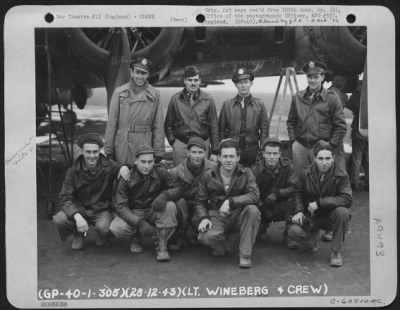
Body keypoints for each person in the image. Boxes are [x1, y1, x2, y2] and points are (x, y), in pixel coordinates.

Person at [53, 133, 129, 250]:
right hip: (79, 208)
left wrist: (124, 167)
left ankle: (102, 235)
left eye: (95, 152)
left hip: (101, 209)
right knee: (60, 219)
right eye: (88, 152)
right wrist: (77, 216)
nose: (92, 156)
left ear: (100, 151)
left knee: (105, 228)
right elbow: (64, 197)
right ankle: (78, 234)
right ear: (82, 152)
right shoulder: (72, 171)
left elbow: (121, 167)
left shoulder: (108, 166)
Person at [194, 139, 261, 268]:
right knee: (205, 237)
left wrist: (231, 202)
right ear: (219, 158)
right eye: (225, 156)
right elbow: (199, 201)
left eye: (232, 156)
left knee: (253, 210)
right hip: (217, 215)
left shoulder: (246, 173)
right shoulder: (208, 175)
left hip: (239, 214)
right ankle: (225, 245)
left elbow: (254, 195)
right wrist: (204, 218)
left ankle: (245, 255)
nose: (228, 160)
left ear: (238, 158)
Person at [110, 145, 181, 262]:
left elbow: (177, 188)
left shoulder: (161, 172)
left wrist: (165, 195)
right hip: (134, 212)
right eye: (143, 162)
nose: (147, 166)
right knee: (117, 228)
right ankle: (135, 237)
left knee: (170, 206)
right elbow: (121, 206)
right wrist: (138, 223)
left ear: (154, 161)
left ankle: (162, 243)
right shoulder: (126, 176)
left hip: (153, 209)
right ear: (136, 161)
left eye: (150, 162)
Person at [287, 141, 352, 267]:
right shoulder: (305, 173)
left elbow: (347, 199)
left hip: (330, 216)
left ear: (333, 158)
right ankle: (312, 238)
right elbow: (297, 192)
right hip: (311, 217)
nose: (324, 162)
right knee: (294, 231)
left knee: (343, 213)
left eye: (328, 158)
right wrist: (299, 211)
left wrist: (320, 203)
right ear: (315, 159)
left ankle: (336, 252)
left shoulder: (341, 175)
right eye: (320, 158)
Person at [287, 60, 347, 176]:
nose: (312, 80)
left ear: (322, 77)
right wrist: (293, 140)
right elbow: (291, 122)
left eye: (316, 77)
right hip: (301, 146)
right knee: (300, 179)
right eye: (309, 77)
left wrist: (331, 145)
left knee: (322, 181)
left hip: (322, 148)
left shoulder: (332, 99)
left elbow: (341, 127)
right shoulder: (297, 98)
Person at [104, 57, 165, 166]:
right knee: (122, 176)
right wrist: (108, 149)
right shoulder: (119, 93)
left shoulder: (155, 95)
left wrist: (159, 151)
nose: (140, 77)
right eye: (137, 72)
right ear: (131, 72)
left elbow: (158, 125)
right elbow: (112, 123)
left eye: (144, 73)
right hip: (123, 143)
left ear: (148, 75)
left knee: (143, 176)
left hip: (144, 143)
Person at [168, 137, 218, 249]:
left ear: (205, 153)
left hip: (203, 203)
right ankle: (179, 235)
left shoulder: (214, 168)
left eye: (200, 152)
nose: (197, 156)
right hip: (184, 204)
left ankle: (195, 233)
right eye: (194, 152)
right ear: (188, 153)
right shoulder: (176, 172)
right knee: (178, 205)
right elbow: (171, 193)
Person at [164, 65, 219, 166]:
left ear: (200, 81)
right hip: (181, 145)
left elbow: (214, 125)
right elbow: (168, 124)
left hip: (202, 146)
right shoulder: (175, 99)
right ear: (184, 81)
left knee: (201, 178)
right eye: (190, 80)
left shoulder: (208, 99)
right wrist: (174, 143)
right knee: (180, 177)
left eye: (195, 80)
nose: (193, 83)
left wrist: (215, 151)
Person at [250, 137, 297, 245]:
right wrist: (262, 206)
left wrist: (277, 193)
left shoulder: (288, 166)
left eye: (275, 153)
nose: (272, 157)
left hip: (280, 203)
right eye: (269, 153)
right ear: (263, 154)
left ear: (280, 153)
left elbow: (294, 187)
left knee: (293, 200)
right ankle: (262, 226)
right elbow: (251, 192)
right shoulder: (255, 170)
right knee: (258, 234)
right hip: (262, 205)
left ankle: (289, 233)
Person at [219, 68, 269, 167]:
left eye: (246, 82)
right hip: (232, 152)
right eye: (240, 82)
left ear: (251, 83)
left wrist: (263, 150)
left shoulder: (260, 104)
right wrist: (220, 150)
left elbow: (264, 130)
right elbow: (221, 130)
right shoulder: (227, 104)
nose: (243, 85)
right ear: (236, 85)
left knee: (252, 179)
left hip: (253, 152)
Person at [346, 82, 369, 190]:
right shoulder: (372, 93)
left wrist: (356, 93)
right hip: (371, 129)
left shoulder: (357, 95)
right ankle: (369, 182)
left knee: (357, 157)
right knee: (368, 158)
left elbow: (349, 105)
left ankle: (354, 182)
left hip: (358, 129)